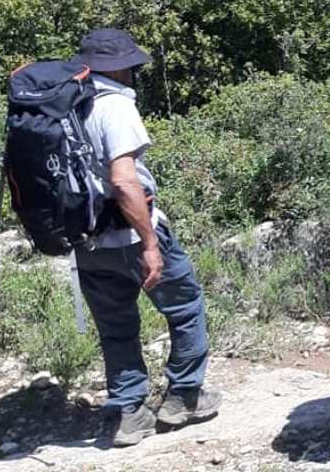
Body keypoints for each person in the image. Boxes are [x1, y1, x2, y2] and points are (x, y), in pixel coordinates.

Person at [70, 29, 219, 447]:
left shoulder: (66, 105)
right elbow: (123, 180)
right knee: (185, 306)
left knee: (116, 328)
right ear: (117, 66)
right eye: (131, 64)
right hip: (131, 235)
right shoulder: (113, 105)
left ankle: (128, 412)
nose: (135, 70)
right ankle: (184, 397)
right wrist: (150, 243)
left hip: (86, 241)